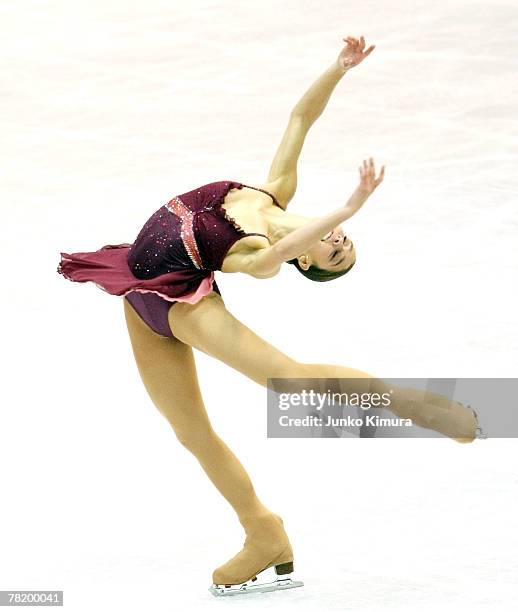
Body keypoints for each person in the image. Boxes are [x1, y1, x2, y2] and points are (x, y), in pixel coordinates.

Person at [57, 35, 484, 596]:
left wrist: (348, 206)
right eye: (344, 240)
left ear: (307, 260)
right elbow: (300, 117)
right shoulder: (273, 192)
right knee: (190, 432)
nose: (337, 239)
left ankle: (432, 410)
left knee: (292, 381)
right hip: (138, 296)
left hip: (184, 308)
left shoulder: (259, 251)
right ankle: (263, 532)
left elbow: (272, 257)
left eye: (334, 253)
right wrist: (339, 68)